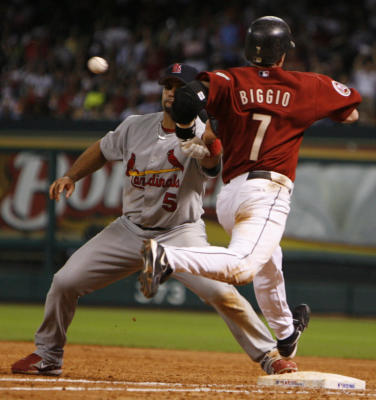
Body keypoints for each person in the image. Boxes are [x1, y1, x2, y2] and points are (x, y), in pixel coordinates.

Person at [11, 62, 298, 377]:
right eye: (168, 87)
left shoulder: (202, 134)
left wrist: (213, 148)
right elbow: (102, 150)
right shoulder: (135, 126)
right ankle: (48, 355)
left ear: (195, 96)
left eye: (180, 89)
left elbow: (212, 163)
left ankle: (269, 355)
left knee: (221, 293)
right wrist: (71, 176)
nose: (172, 93)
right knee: (65, 282)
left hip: (179, 233)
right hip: (128, 230)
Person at [139, 16, 362, 357]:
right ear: (284, 53)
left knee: (269, 267)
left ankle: (286, 336)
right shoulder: (306, 86)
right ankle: (166, 256)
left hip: (231, 196)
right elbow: (350, 113)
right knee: (244, 266)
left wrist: (185, 131)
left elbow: (185, 99)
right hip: (267, 192)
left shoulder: (227, 79)